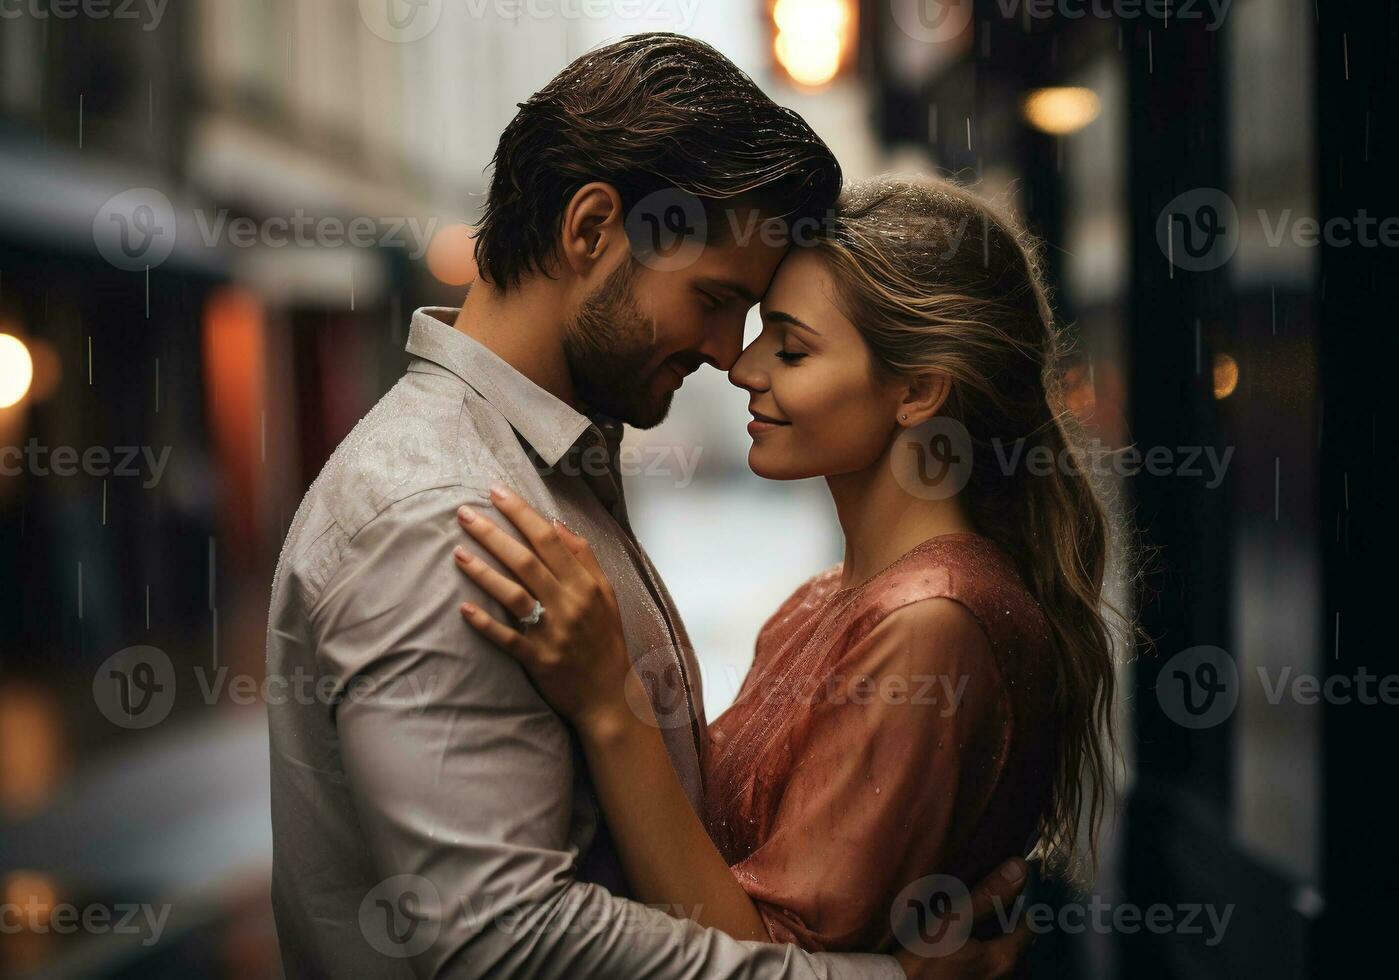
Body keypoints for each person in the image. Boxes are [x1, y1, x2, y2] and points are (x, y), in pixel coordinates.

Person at [267, 33, 1032, 979]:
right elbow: (500, 941)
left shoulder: (538, 471)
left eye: (763, 329)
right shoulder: (444, 516)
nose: (726, 352)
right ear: (591, 229)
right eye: (713, 299)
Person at [452, 175, 1119, 954]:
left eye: (792, 348)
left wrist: (608, 701)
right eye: (763, 332)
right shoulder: (824, 601)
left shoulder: (933, 622)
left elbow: (760, 961)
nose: (743, 368)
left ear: (919, 391)